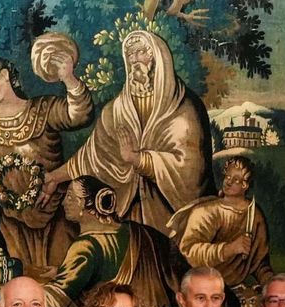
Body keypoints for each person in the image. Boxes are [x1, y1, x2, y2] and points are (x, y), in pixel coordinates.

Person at [47, 28, 211, 232]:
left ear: (158, 58)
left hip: (168, 216)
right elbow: (91, 158)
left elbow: (190, 173)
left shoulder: (184, 109)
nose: (134, 60)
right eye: (130, 55)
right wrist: (54, 177)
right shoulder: (117, 110)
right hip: (129, 212)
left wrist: (138, 160)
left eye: (141, 52)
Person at [0, 54, 93, 272]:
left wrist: (68, 78)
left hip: (55, 212)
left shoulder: (44, 109)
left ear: (5, 75)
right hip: (13, 224)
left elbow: (80, 115)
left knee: (65, 275)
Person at [42, 175, 184, 307]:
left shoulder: (86, 245)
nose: (63, 203)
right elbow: (179, 275)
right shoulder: (141, 231)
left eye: (69, 197)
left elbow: (55, 297)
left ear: (83, 203)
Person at [168, 157, 273, 307]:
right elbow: (190, 251)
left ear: (245, 185)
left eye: (236, 180)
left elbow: (260, 262)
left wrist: (271, 286)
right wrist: (229, 249)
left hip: (238, 292)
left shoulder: (255, 216)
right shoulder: (207, 212)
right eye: (228, 177)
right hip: (205, 291)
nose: (229, 182)